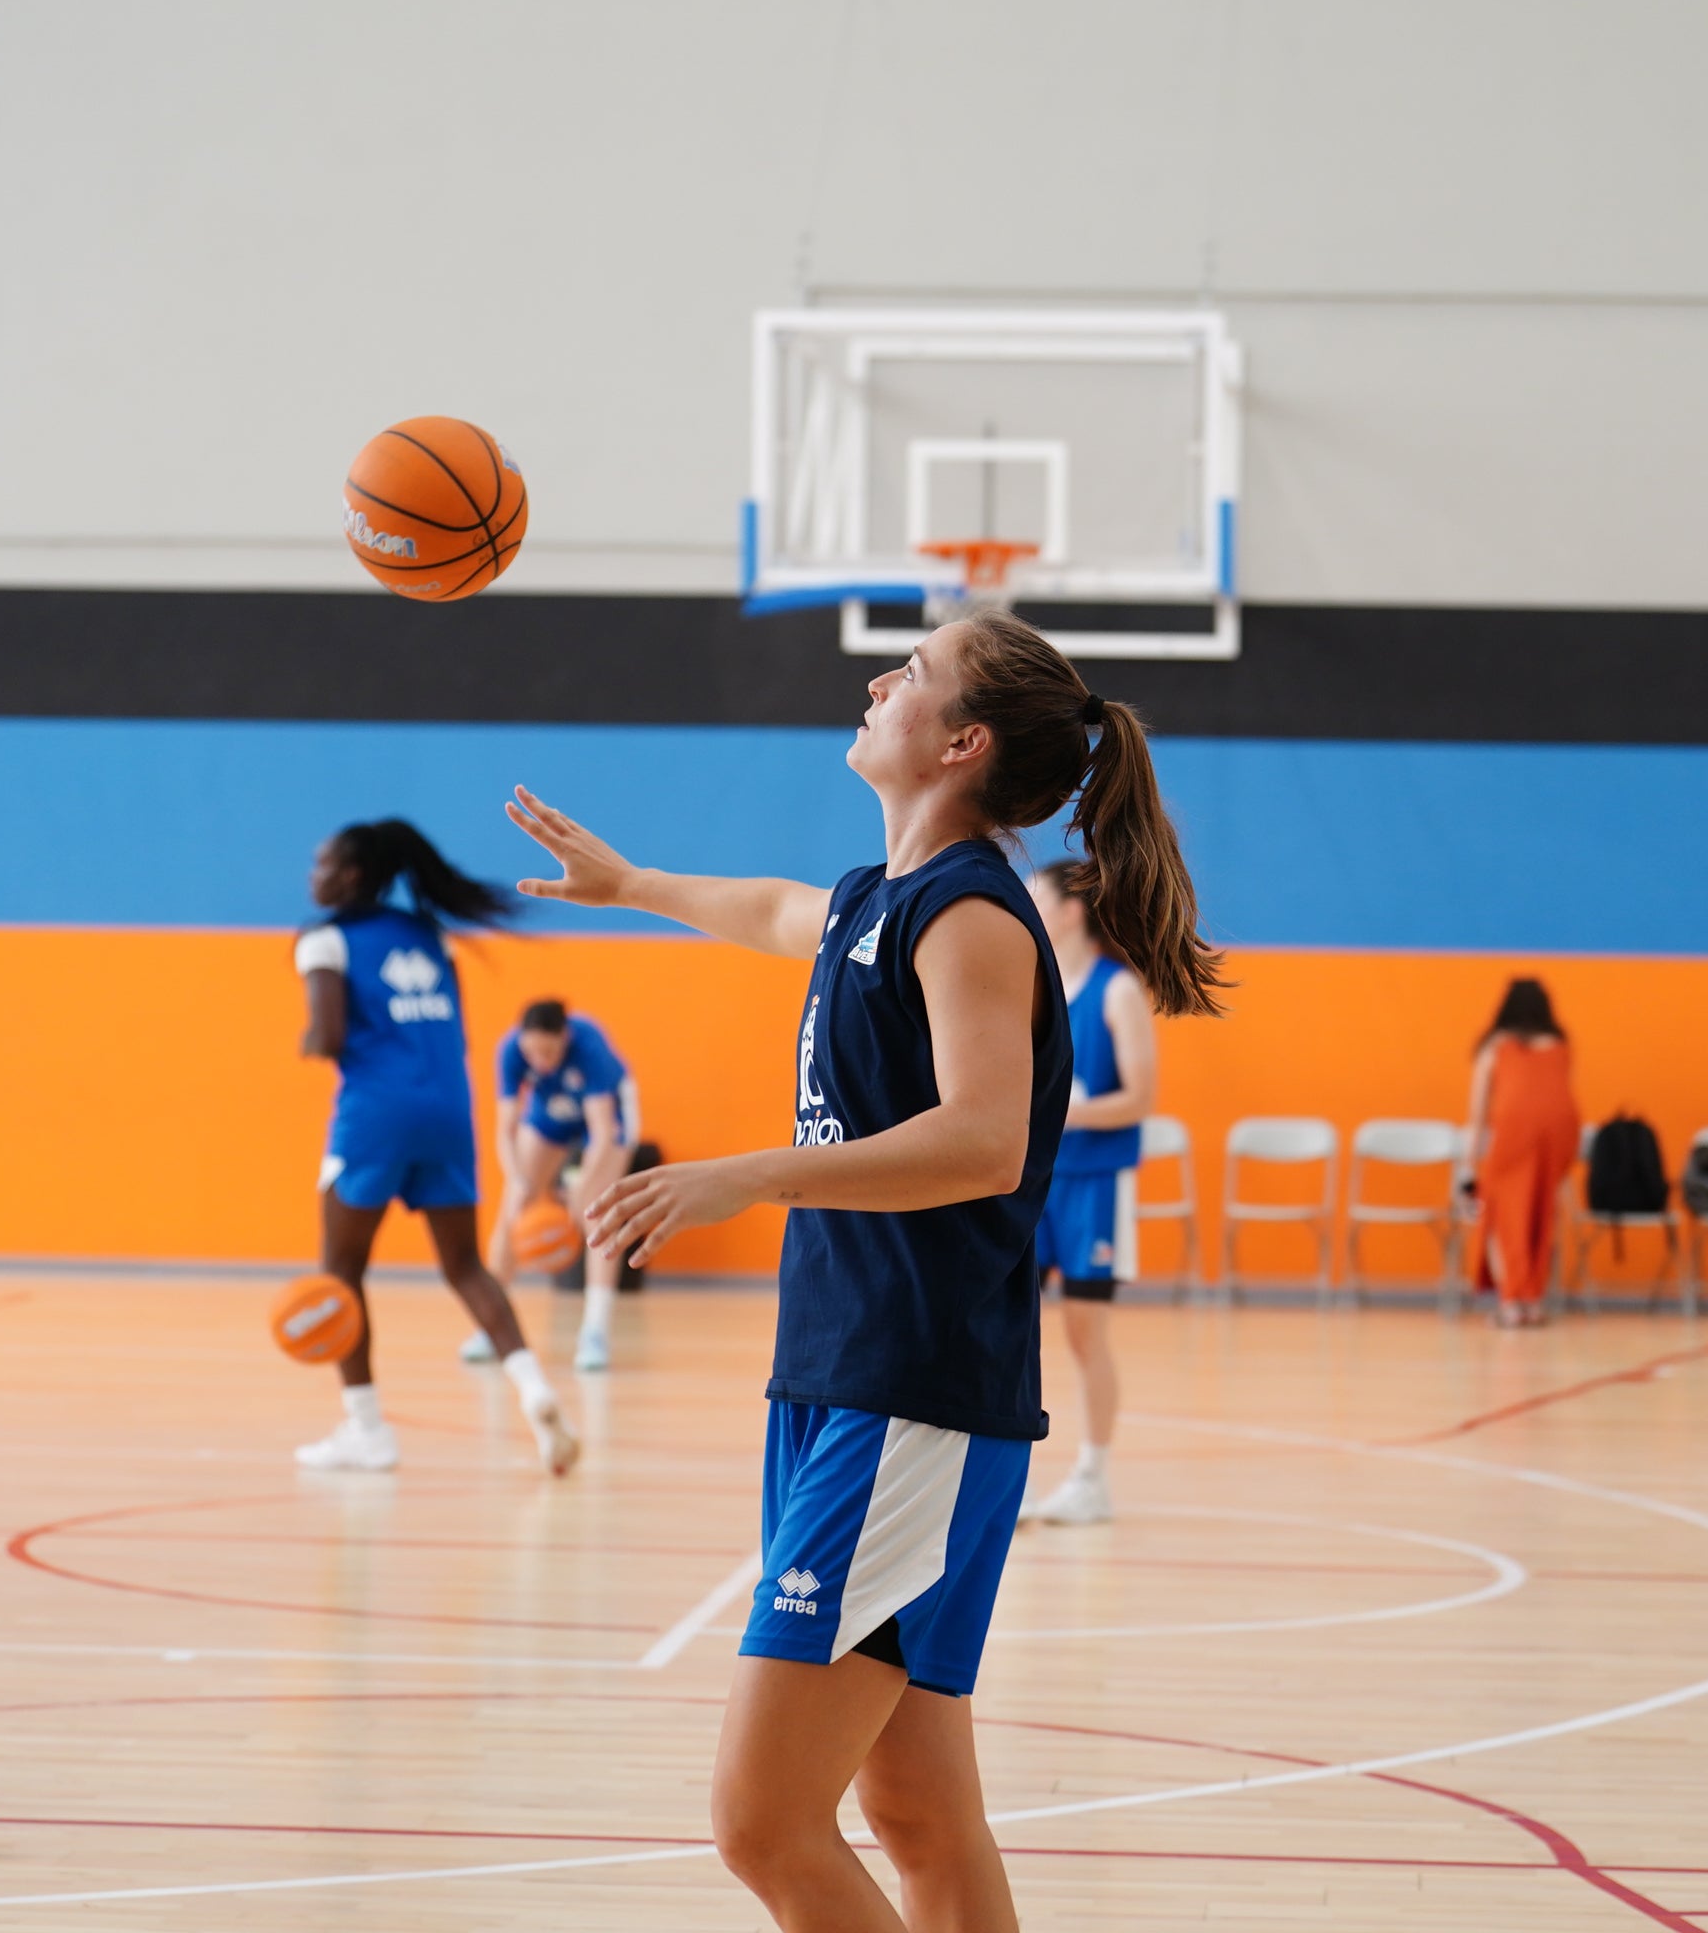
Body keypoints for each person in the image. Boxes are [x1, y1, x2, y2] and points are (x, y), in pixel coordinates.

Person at [508, 610, 1224, 1933]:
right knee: (917, 1817)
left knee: (764, 1824)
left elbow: (982, 1138)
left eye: (917, 670)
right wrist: (635, 885)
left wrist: (752, 1172)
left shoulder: (972, 917)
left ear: (960, 741)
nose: (880, 677)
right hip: (855, 1383)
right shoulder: (879, 902)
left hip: (914, 1396)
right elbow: (778, 909)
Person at [293, 818, 577, 1475]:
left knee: (341, 1273)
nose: (314, 876)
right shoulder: (430, 936)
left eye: (323, 863)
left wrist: (309, 1040)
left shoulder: (324, 942)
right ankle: (534, 1389)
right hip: (449, 1111)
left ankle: (367, 1430)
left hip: (374, 1117)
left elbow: (329, 1035)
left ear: (353, 874)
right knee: (466, 1267)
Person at [1017, 861, 1157, 1528]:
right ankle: (1008, 1478)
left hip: (1095, 1183)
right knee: (1012, 1329)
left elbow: (1140, 1097)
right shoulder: (1031, 985)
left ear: (1071, 910)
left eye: (1036, 893)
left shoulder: (1116, 991)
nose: (1024, 901)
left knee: (1083, 1333)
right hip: (1029, 1179)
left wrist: (1067, 1110)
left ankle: (1092, 1476)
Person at [479, 1001, 639, 1371]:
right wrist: (519, 1179)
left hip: (607, 1118)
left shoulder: (590, 1046)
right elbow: (505, 1130)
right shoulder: (510, 1051)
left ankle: (595, 1330)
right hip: (550, 1112)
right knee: (513, 1206)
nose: (539, 1061)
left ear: (564, 1038)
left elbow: (602, 1134)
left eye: (548, 1052)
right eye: (532, 1052)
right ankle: (491, 1324)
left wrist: (580, 1188)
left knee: (600, 1212)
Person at [1460, 976, 1581, 1328]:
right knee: (1540, 1213)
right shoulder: (1559, 1044)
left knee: (1499, 1214)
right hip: (1560, 1132)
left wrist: (1470, 1164)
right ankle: (1533, 1301)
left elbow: (1479, 1112)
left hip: (1515, 1131)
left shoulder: (1496, 1046)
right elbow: (1557, 1095)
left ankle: (1511, 1301)